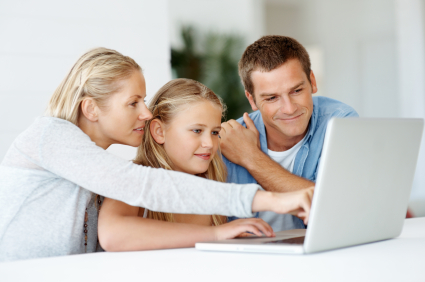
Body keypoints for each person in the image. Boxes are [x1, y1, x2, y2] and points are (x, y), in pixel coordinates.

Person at [0, 47, 313, 262]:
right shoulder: (49, 136)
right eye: (133, 102)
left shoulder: (94, 166)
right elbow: (140, 186)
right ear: (91, 108)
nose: (146, 113)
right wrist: (267, 200)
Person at [98, 79, 309, 251]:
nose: (209, 144)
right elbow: (113, 234)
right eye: (197, 131)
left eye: (215, 132)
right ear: (159, 131)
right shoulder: (134, 178)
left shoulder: (214, 179)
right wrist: (216, 234)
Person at [220, 36, 358, 232]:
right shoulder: (228, 139)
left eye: (296, 91)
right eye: (272, 98)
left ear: (312, 81)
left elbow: (338, 209)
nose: (289, 108)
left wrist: (250, 157)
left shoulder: (340, 122)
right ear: (251, 99)